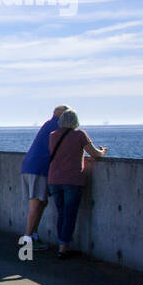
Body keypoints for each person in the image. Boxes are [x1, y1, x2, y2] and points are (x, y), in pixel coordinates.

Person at [46, 109, 107, 258]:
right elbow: (94, 154)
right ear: (75, 121)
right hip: (72, 180)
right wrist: (103, 151)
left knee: (61, 213)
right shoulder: (79, 134)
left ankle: (62, 244)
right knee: (70, 214)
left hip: (54, 179)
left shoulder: (53, 135)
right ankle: (63, 248)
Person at [20, 105, 68, 251]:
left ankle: (32, 236)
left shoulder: (48, 124)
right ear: (62, 115)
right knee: (36, 205)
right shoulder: (59, 127)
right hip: (39, 169)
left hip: (28, 166)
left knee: (41, 203)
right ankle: (27, 240)